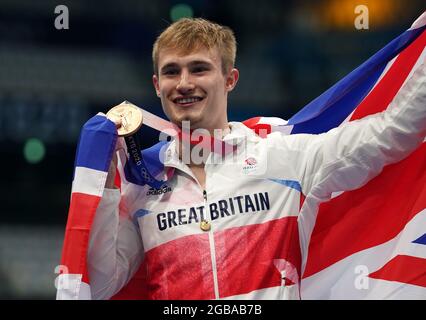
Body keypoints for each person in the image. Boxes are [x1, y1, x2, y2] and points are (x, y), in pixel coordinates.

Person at [87, 18, 425, 300]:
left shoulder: (284, 157)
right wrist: (102, 178)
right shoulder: (143, 184)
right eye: (172, 72)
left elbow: (393, 130)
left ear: (230, 79)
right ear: (157, 85)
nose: (185, 83)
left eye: (199, 69)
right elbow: (101, 286)